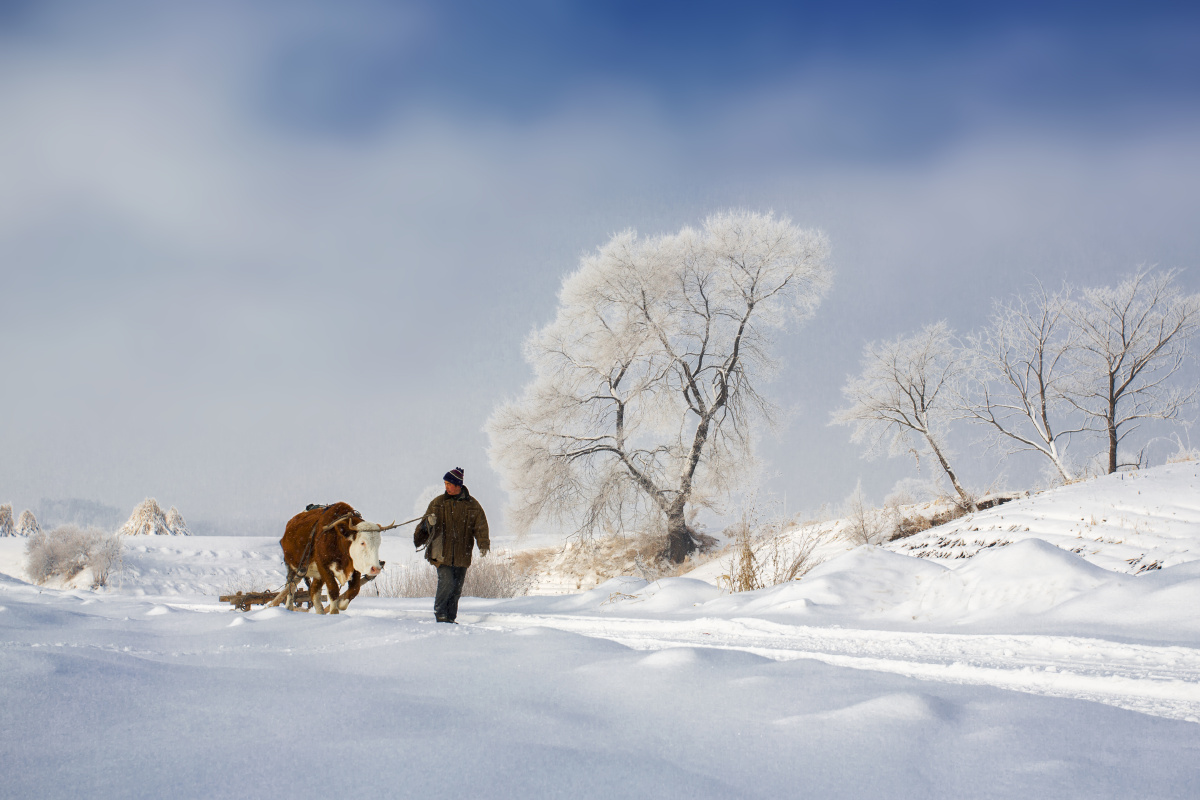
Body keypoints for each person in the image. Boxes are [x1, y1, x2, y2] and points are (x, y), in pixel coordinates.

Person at [413, 467, 490, 623]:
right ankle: (441, 614)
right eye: (445, 484)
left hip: (462, 554)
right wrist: (428, 523)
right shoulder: (437, 503)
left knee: (456, 589)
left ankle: (450, 617)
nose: (446, 487)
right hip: (441, 553)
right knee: (447, 582)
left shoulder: (473, 505)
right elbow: (421, 530)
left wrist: (483, 544)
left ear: (458, 485)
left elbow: (480, 526)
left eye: (449, 484)